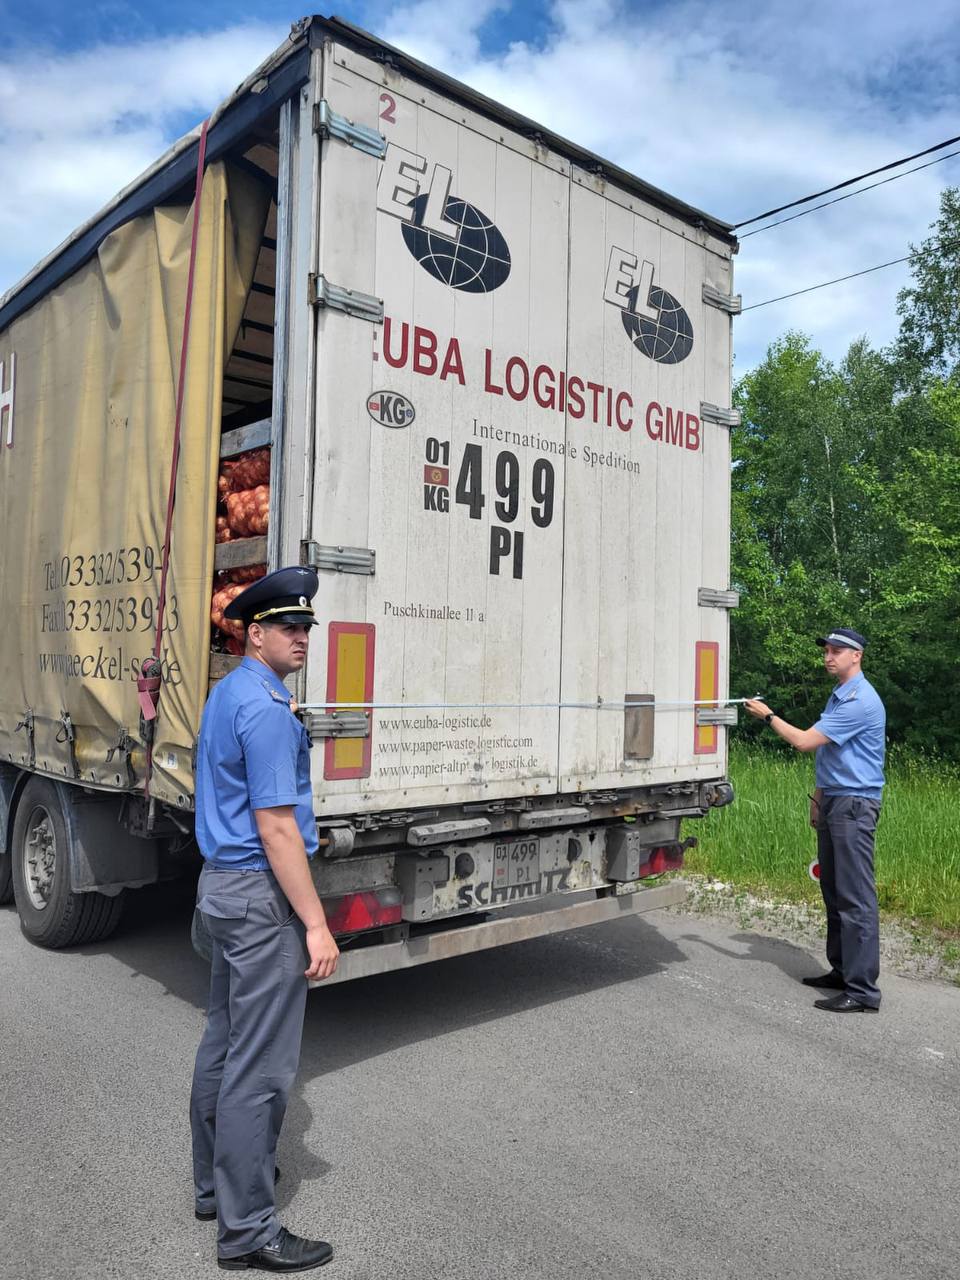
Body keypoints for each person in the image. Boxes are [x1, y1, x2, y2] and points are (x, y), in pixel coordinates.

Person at [189, 565, 340, 1272]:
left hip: (220, 887)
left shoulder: (228, 693)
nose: (302, 638)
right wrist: (314, 922)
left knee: (224, 1040)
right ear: (254, 635)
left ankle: (214, 1187)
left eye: (307, 627)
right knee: (263, 1069)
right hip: (258, 898)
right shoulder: (268, 710)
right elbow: (277, 827)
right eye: (288, 627)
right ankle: (249, 1230)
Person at [744, 627, 885, 1014]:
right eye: (826, 649)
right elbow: (832, 755)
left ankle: (863, 991)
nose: (828, 656)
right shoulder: (839, 696)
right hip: (836, 800)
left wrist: (768, 715)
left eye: (837, 650)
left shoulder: (860, 700)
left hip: (855, 805)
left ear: (856, 655)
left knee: (855, 898)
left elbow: (806, 741)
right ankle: (842, 971)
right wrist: (819, 797)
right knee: (835, 891)